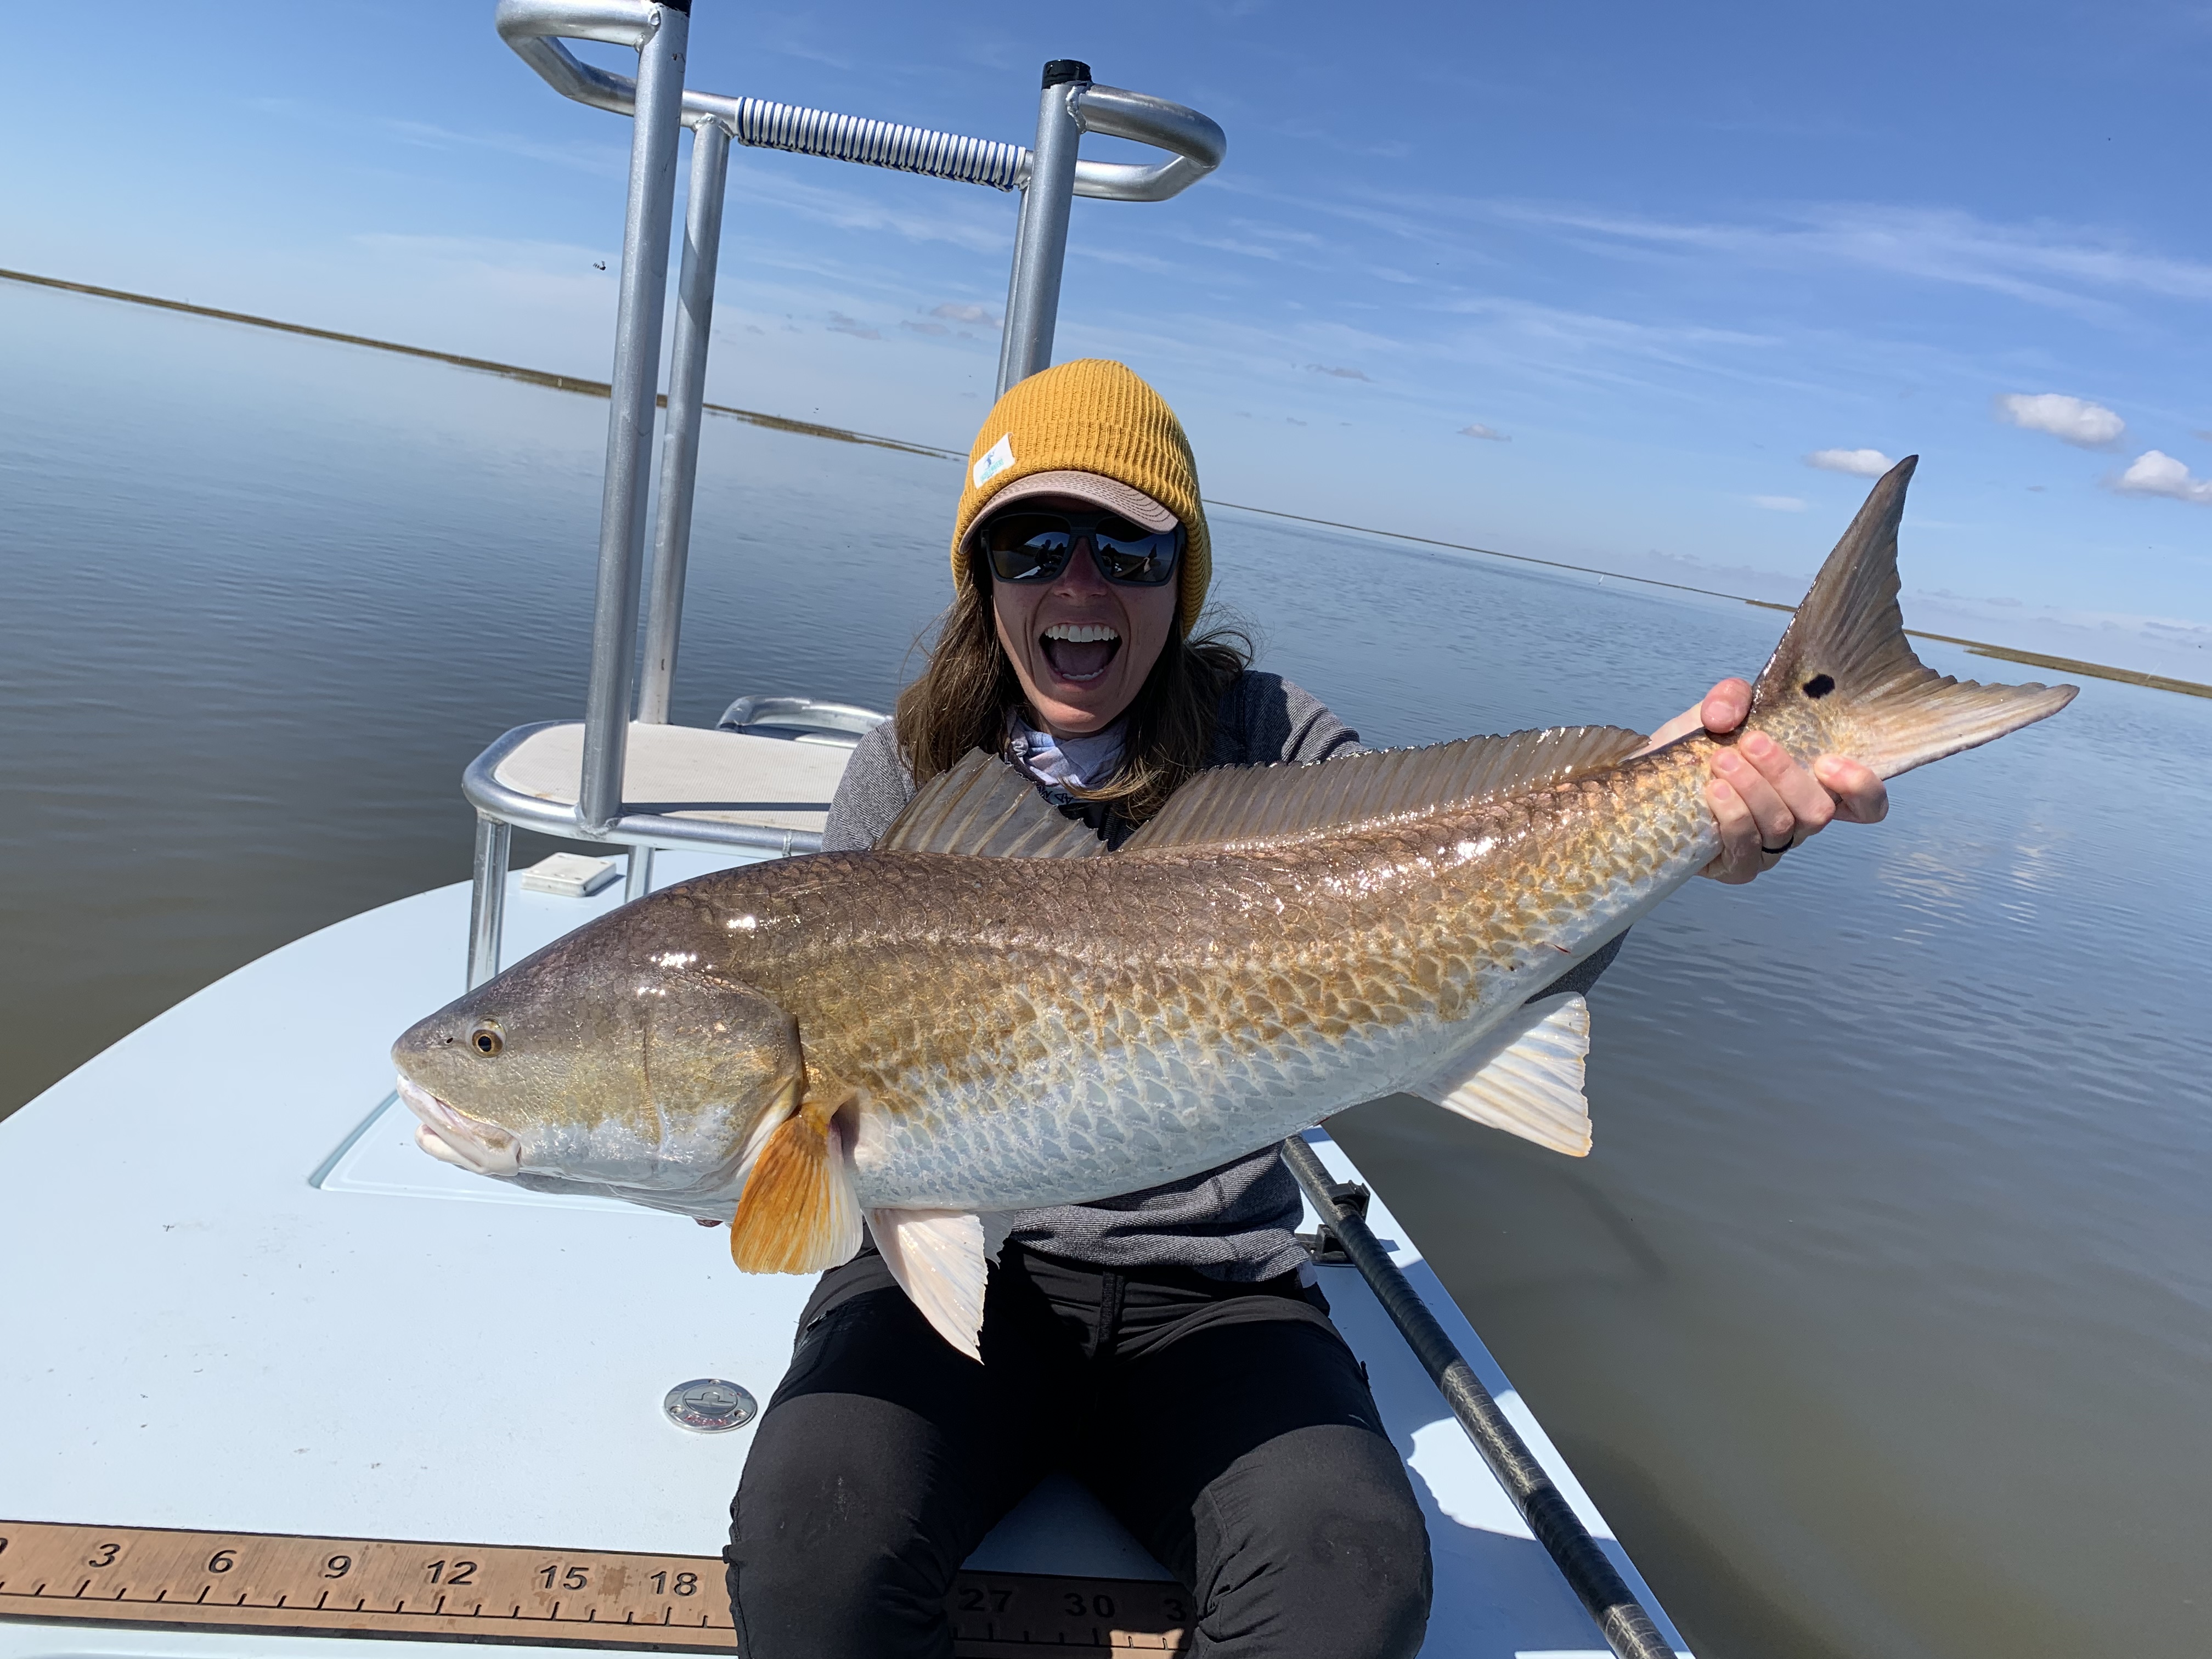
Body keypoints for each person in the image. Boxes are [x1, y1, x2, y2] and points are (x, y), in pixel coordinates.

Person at [721, 358, 1886, 1657]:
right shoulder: (904, 776)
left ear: (1187, 571)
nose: (1080, 583)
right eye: (1031, 542)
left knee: (1353, 1585)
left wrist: (1684, 811)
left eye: (1131, 547)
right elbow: (830, 1163)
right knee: (807, 1565)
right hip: (954, 1280)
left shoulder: (1272, 740)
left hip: (1211, 1293)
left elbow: (1479, 908)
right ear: (981, 574)